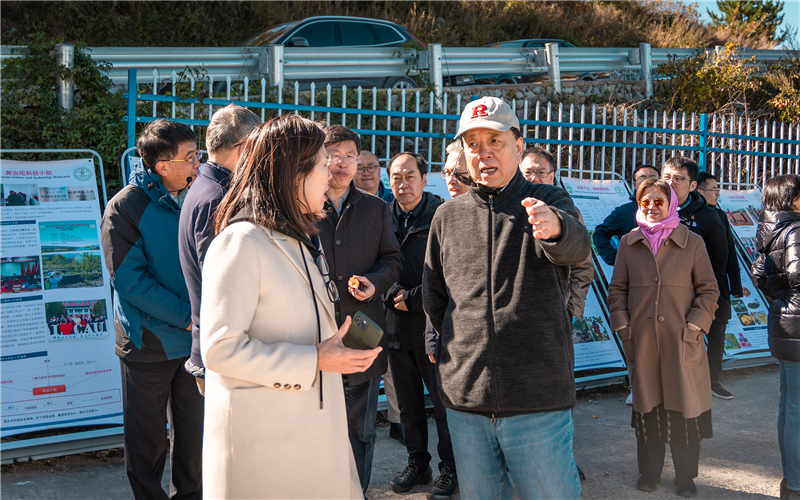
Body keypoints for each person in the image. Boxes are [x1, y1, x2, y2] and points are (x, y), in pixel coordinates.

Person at [200, 115, 381, 499]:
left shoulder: (300, 241)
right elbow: (219, 349)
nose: (330, 176)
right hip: (266, 450)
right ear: (293, 174)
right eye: (322, 165)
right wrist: (314, 359)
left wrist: (334, 349)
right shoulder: (241, 241)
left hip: (311, 441)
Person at [424, 96, 590, 499]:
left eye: (495, 141)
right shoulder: (447, 216)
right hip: (466, 401)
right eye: (473, 144)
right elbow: (435, 298)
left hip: (537, 397)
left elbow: (577, 247)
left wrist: (555, 228)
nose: (484, 154)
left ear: (518, 145)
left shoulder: (549, 201)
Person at [100, 119, 203, 499]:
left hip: (193, 342)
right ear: (162, 167)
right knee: (147, 442)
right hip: (148, 342)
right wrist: (189, 316)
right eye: (189, 157)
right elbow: (131, 281)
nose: (198, 163)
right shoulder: (124, 207)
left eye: (197, 154)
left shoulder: (198, 196)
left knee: (194, 439)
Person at [607, 178, 719, 497]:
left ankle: (685, 478)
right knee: (648, 413)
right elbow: (617, 290)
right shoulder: (629, 242)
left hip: (681, 343)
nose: (652, 207)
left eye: (659, 201)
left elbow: (709, 290)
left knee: (684, 412)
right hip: (642, 343)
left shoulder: (692, 241)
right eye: (646, 202)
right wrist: (624, 327)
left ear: (671, 204)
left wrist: (695, 326)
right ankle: (649, 474)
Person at [318, 125, 403, 495]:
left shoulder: (376, 208)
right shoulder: (302, 206)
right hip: (315, 335)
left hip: (362, 333)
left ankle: (357, 492)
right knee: (317, 430)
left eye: (349, 156)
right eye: (334, 155)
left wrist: (374, 282)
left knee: (360, 431)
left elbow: (393, 258)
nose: (342, 163)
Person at [383, 152, 457, 500]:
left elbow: (451, 269)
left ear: (425, 179)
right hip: (395, 325)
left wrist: (415, 296)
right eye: (396, 177)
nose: (403, 184)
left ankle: (450, 468)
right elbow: (375, 261)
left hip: (432, 325)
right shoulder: (382, 215)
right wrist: (391, 292)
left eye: (410, 176)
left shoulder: (440, 214)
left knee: (442, 405)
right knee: (408, 405)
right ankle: (418, 463)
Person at [178, 104, 261, 396]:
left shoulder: (207, 186)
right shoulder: (218, 196)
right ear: (245, 149)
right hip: (224, 352)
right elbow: (221, 279)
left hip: (218, 345)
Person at [662, 157, 731, 399]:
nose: (671, 183)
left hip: (698, 292)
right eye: (667, 177)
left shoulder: (708, 215)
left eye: (679, 178)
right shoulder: (652, 208)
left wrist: (695, 284)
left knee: (706, 337)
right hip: (663, 293)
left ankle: (710, 382)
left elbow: (720, 257)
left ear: (692, 185)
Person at [750, 174, 800, 500]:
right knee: (795, 408)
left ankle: (791, 480)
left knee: (790, 405)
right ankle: (795, 484)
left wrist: (782, 300)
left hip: (785, 325)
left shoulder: (772, 230)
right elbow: (797, 273)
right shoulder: (796, 229)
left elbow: (759, 274)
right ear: (791, 197)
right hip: (797, 327)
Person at [696, 171, 745, 397]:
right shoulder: (686, 216)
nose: (717, 194)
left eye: (718, 190)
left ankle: (712, 380)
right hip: (693, 288)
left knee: (717, 335)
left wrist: (735, 287)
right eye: (713, 190)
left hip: (719, 288)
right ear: (698, 191)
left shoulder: (719, 215)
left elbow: (730, 254)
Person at [593, 164, 661, 267]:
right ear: (634, 184)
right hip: (634, 272)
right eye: (642, 178)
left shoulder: (670, 209)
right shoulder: (624, 212)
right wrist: (616, 259)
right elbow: (599, 234)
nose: (648, 181)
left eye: (652, 177)